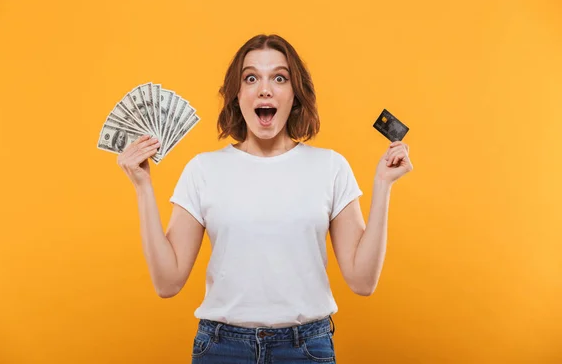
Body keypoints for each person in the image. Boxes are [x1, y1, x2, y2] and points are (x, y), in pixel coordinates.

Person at [117, 34, 413, 363]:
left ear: (294, 95)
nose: (265, 89)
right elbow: (167, 282)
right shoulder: (204, 169)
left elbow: (362, 280)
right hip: (221, 349)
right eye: (251, 78)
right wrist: (142, 186)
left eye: (280, 78)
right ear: (237, 95)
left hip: (305, 349)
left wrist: (383, 184)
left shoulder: (329, 167)